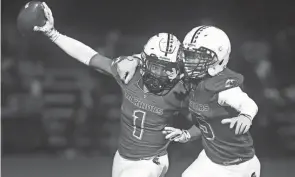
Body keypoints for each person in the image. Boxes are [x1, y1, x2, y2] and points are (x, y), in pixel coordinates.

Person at [33, 3, 200, 177]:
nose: (163, 74)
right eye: (157, 67)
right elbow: (89, 57)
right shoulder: (129, 73)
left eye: (169, 68)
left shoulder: (178, 90)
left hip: (151, 161)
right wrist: (53, 34)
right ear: (144, 61)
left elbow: (205, 122)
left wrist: (187, 135)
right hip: (122, 157)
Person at [164, 26, 261, 177]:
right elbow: (207, 124)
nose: (190, 61)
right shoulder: (194, 82)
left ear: (219, 57)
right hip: (211, 158)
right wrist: (187, 134)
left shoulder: (222, 88)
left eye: (198, 56)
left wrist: (245, 116)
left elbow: (248, 103)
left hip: (238, 165)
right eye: (189, 55)